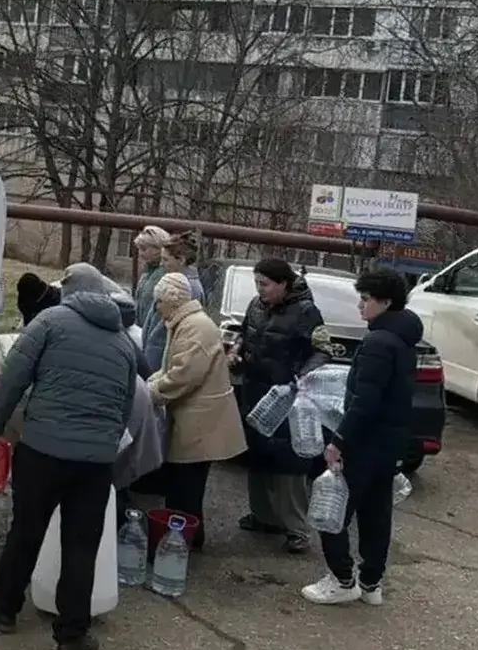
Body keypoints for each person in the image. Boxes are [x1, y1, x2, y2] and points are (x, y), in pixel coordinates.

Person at [0, 263, 137, 650]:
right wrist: (101, 448)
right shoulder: (122, 343)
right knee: (82, 545)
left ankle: (3, 607)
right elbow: (125, 407)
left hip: (43, 452)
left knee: (27, 530)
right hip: (95, 464)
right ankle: (72, 637)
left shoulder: (50, 322)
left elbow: (13, 379)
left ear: (71, 291)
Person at [302, 268, 419, 606]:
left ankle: (341, 579)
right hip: (389, 445)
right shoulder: (405, 339)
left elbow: (365, 402)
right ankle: (371, 583)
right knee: (376, 515)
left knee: (331, 508)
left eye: (366, 299)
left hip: (364, 443)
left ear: (385, 302)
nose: (360, 306)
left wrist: (339, 441)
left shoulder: (378, 342)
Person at [231, 258, 334, 554]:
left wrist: (300, 379)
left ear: (283, 284)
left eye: (264, 284)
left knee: (289, 463)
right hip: (255, 393)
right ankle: (263, 516)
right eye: (257, 284)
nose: (259, 290)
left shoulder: (306, 312)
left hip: (289, 400)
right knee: (258, 457)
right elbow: (244, 333)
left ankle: (297, 529)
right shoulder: (256, 305)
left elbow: (322, 352)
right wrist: (237, 353)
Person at [147, 272, 247, 549]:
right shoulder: (185, 323)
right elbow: (171, 367)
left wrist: (151, 393)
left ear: (171, 300)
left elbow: (184, 375)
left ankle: (185, 541)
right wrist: (151, 381)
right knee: (181, 484)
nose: (156, 307)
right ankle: (179, 535)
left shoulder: (195, 328)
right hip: (195, 420)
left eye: (158, 302)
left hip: (202, 423)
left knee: (187, 486)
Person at [140, 232, 204, 376]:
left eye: (165, 259)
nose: (161, 264)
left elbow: (166, 333)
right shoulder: (173, 280)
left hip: (162, 360)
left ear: (180, 260)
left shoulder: (187, 288)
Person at [132, 225, 171, 334]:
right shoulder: (147, 271)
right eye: (139, 249)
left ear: (158, 248)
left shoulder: (165, 273)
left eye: (144, 249)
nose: (141, 253)